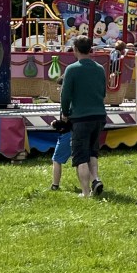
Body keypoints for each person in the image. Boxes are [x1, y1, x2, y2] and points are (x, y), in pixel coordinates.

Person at [59, 35, 107, 198]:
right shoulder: (100, 69)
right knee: (92, 152)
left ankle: (85, 192)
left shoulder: (72, 69)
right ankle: (96, 180)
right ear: (90, 49)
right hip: (99, 116)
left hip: (80, 117)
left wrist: (65, 112)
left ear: (75, 49)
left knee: (80, 156)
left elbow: (65, 95)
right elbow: (103, 92)